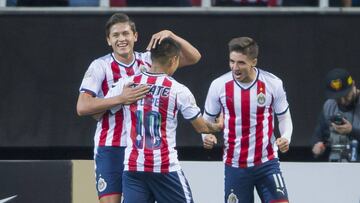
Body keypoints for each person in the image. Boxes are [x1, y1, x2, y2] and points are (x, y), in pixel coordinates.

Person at [76, 13, 201, 203]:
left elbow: (193, 58)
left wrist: (172, 35)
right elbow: (82, 106)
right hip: (110, 146)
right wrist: (120, 98)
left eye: (126, 34)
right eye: (116, 35)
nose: (121, 39)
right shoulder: (100, 66)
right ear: (108, 40)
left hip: (141, 151)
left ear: (135, 36)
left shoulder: (148, 60)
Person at [105, 37, 223, 203]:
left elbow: (98, 111)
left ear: (151, 58)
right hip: (164, 168)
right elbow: (201, 127)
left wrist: (120, 99)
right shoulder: (178, 90)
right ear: (174, 60)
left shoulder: (127, 84)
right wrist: (217, 126)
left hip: (133, 167)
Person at [202, 37, 293, 203]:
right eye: (232, 61)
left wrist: (286, 137)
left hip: (267, 163)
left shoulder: (273, 83)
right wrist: (206, 136)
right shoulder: (219, 85)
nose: (235, 68)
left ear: (254, 62)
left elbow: (284, 117)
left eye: (241, 63)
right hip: (235, 166)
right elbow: (206, 119)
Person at [312, 68, 360, 161]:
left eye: (346, 95)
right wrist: (318, 145)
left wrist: (351, 131)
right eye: (337, 97)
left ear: (353, 84)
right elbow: (319, 134)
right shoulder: (329, 105)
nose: (342, 101)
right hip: (336, 165)